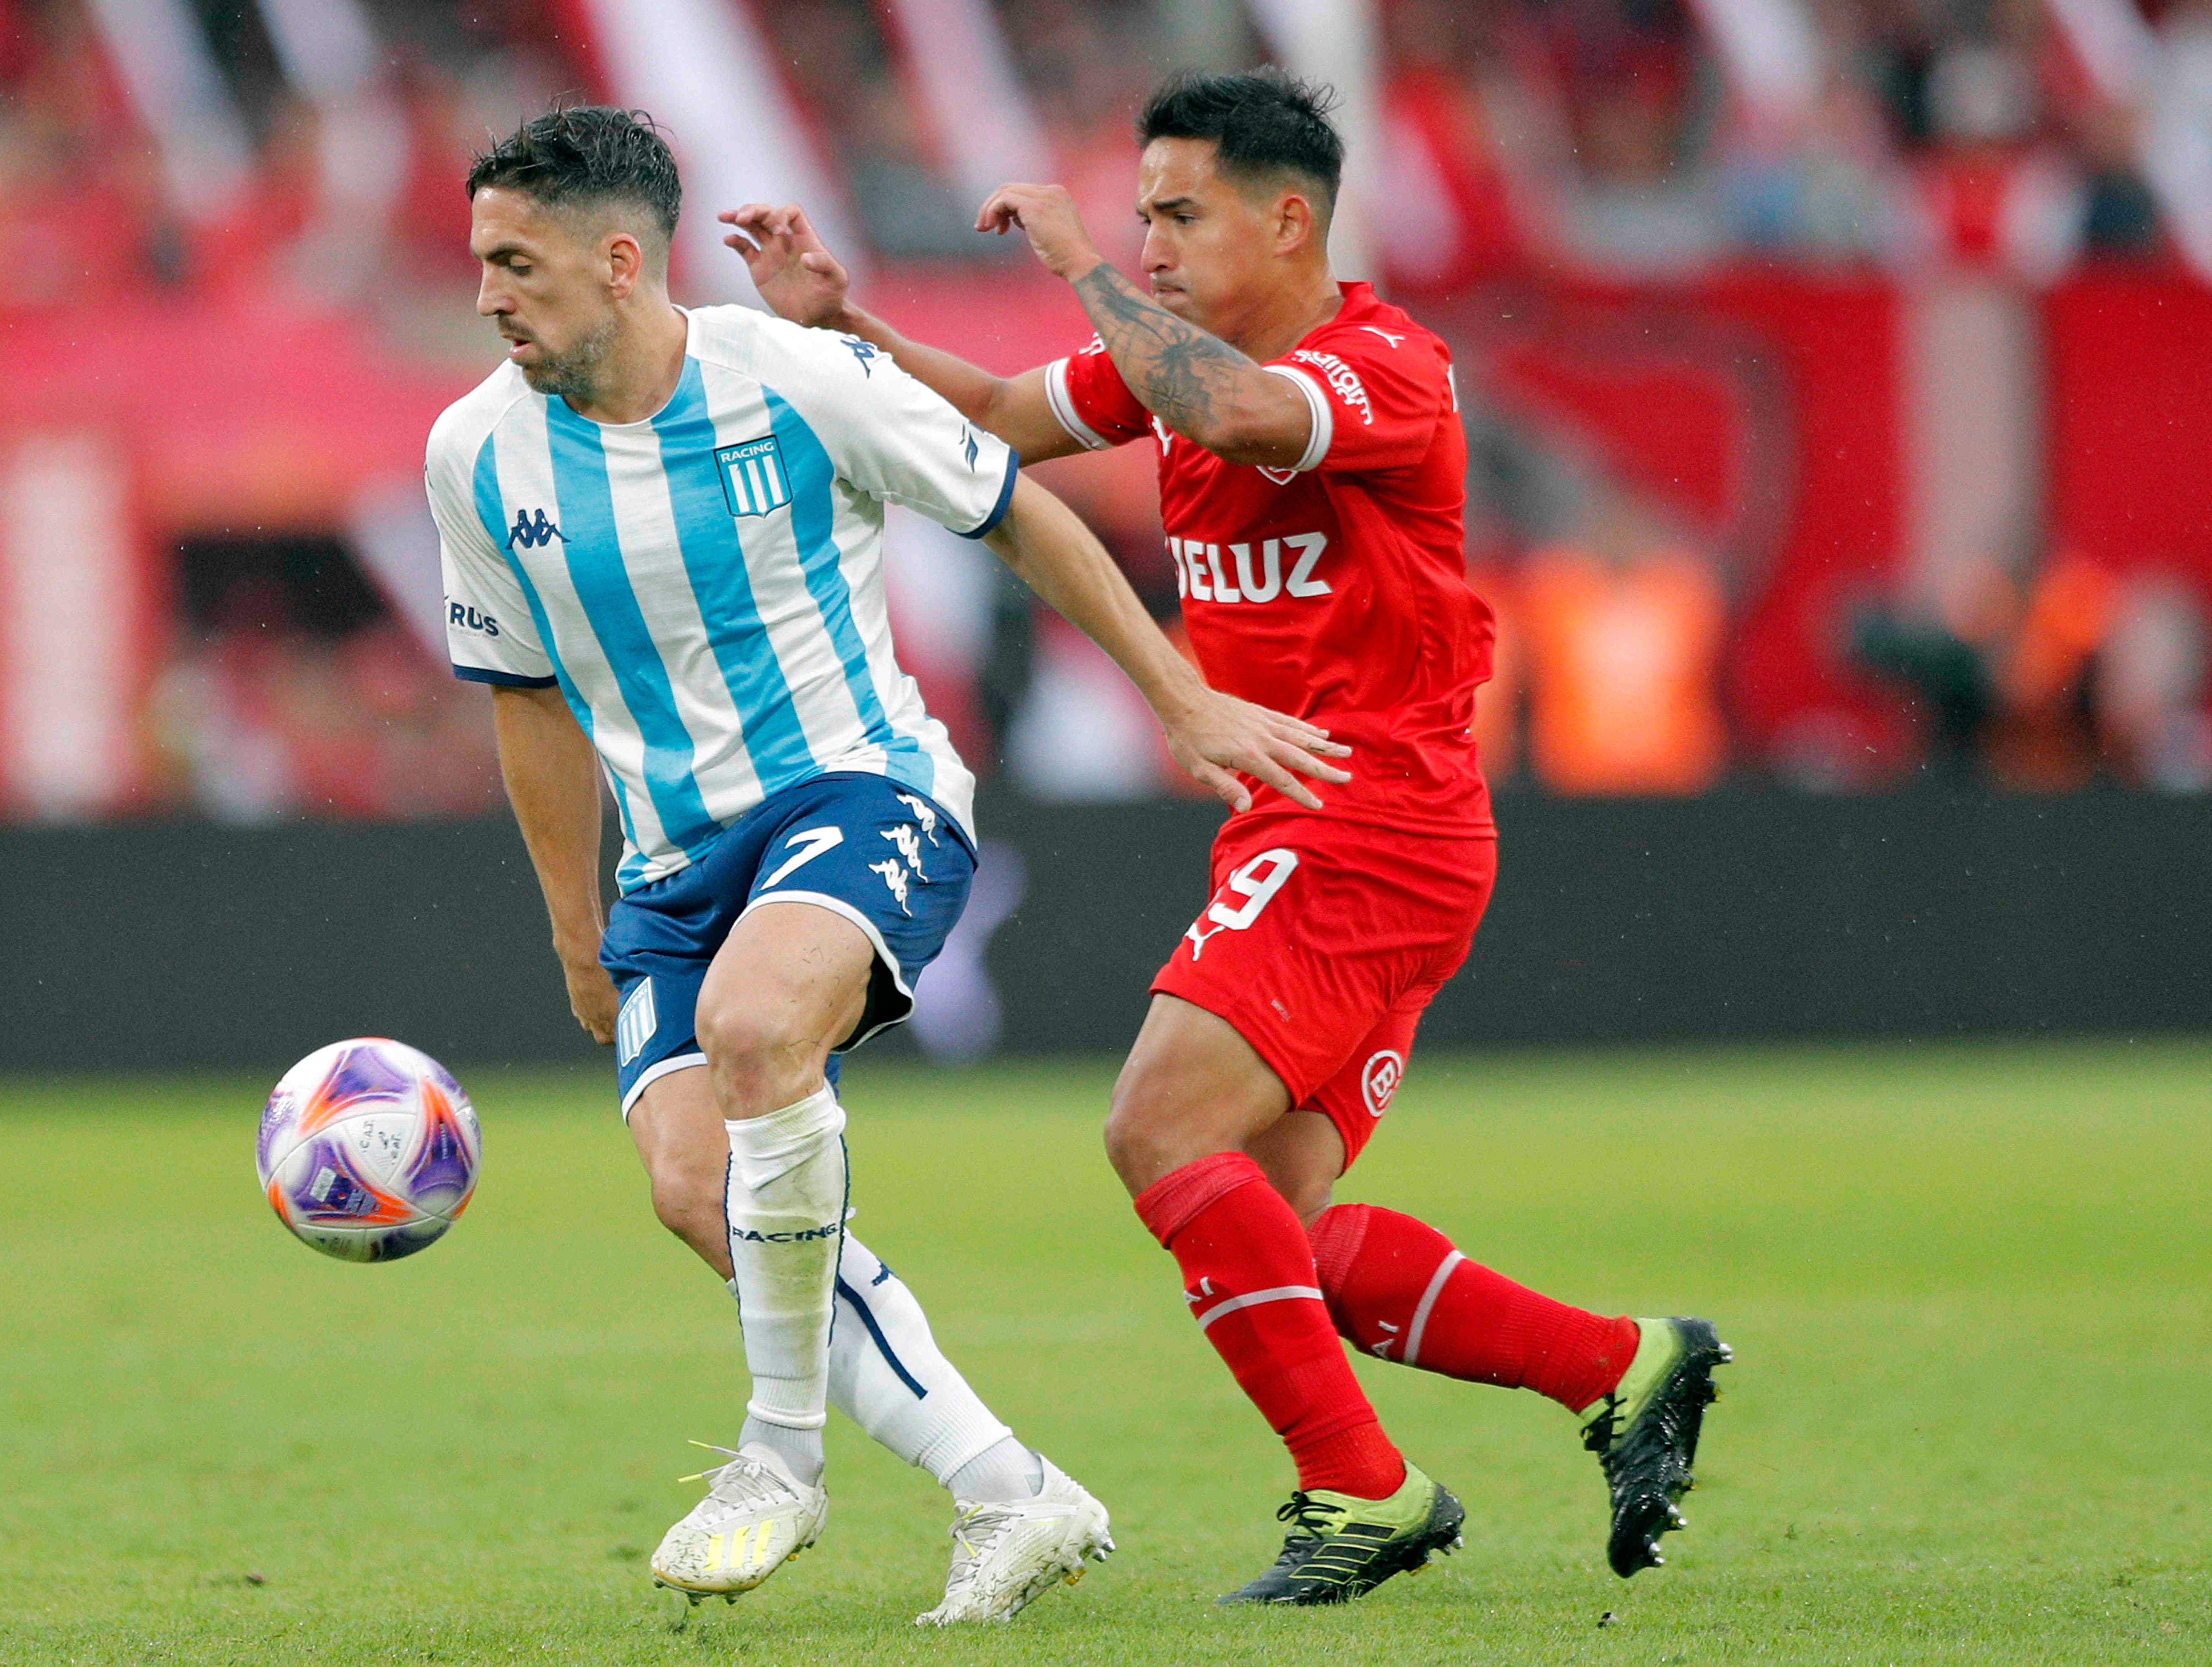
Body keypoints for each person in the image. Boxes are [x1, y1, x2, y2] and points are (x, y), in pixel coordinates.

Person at [720, 68, 1731, 1605]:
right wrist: (840, 326)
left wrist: (1078, 263)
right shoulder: (1174, 363)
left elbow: (1231, 409)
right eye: (1142, 220)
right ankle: (1625, 1364)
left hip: (1368, 821)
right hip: (1324, 826)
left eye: (1180, 216)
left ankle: (1359, 1488)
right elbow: (996, 418)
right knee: (1283, 1229)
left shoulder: (1384, 365)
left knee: (1155, 1131)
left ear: (1290, 217)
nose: (1156, 244)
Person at [428, 106, 1347, 1623]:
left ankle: (778, 1461)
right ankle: (1011, 1491)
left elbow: (1015, 509)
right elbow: (525, 698)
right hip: (670, 867)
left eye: (514, 264)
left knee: (754, 1025)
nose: (486, 296)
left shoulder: (789, 376)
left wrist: (1178, 695)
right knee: (692, 1189)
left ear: (617, 259)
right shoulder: (474, 456)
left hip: (858, 791)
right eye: (479, 263)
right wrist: (576, 930)